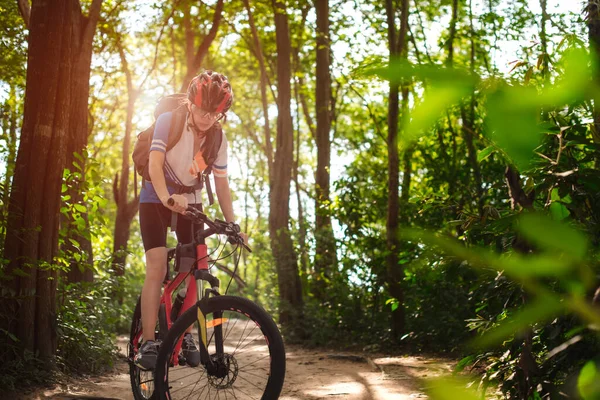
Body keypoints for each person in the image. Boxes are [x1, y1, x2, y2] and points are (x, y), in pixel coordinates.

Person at [135, 71, 245, 370]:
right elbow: (155, 166)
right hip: (155, 197)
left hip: (193, 202)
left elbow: (221, 184)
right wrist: (167, 197)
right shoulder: (168, 121)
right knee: (157, 266)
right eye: (200, 109)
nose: (205, 117)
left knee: (196, 266)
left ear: (221, 113)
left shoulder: (217, 138)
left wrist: (233, 224)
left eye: (213, 113)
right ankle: (148, 342)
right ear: (190, 103)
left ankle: (183, 334)